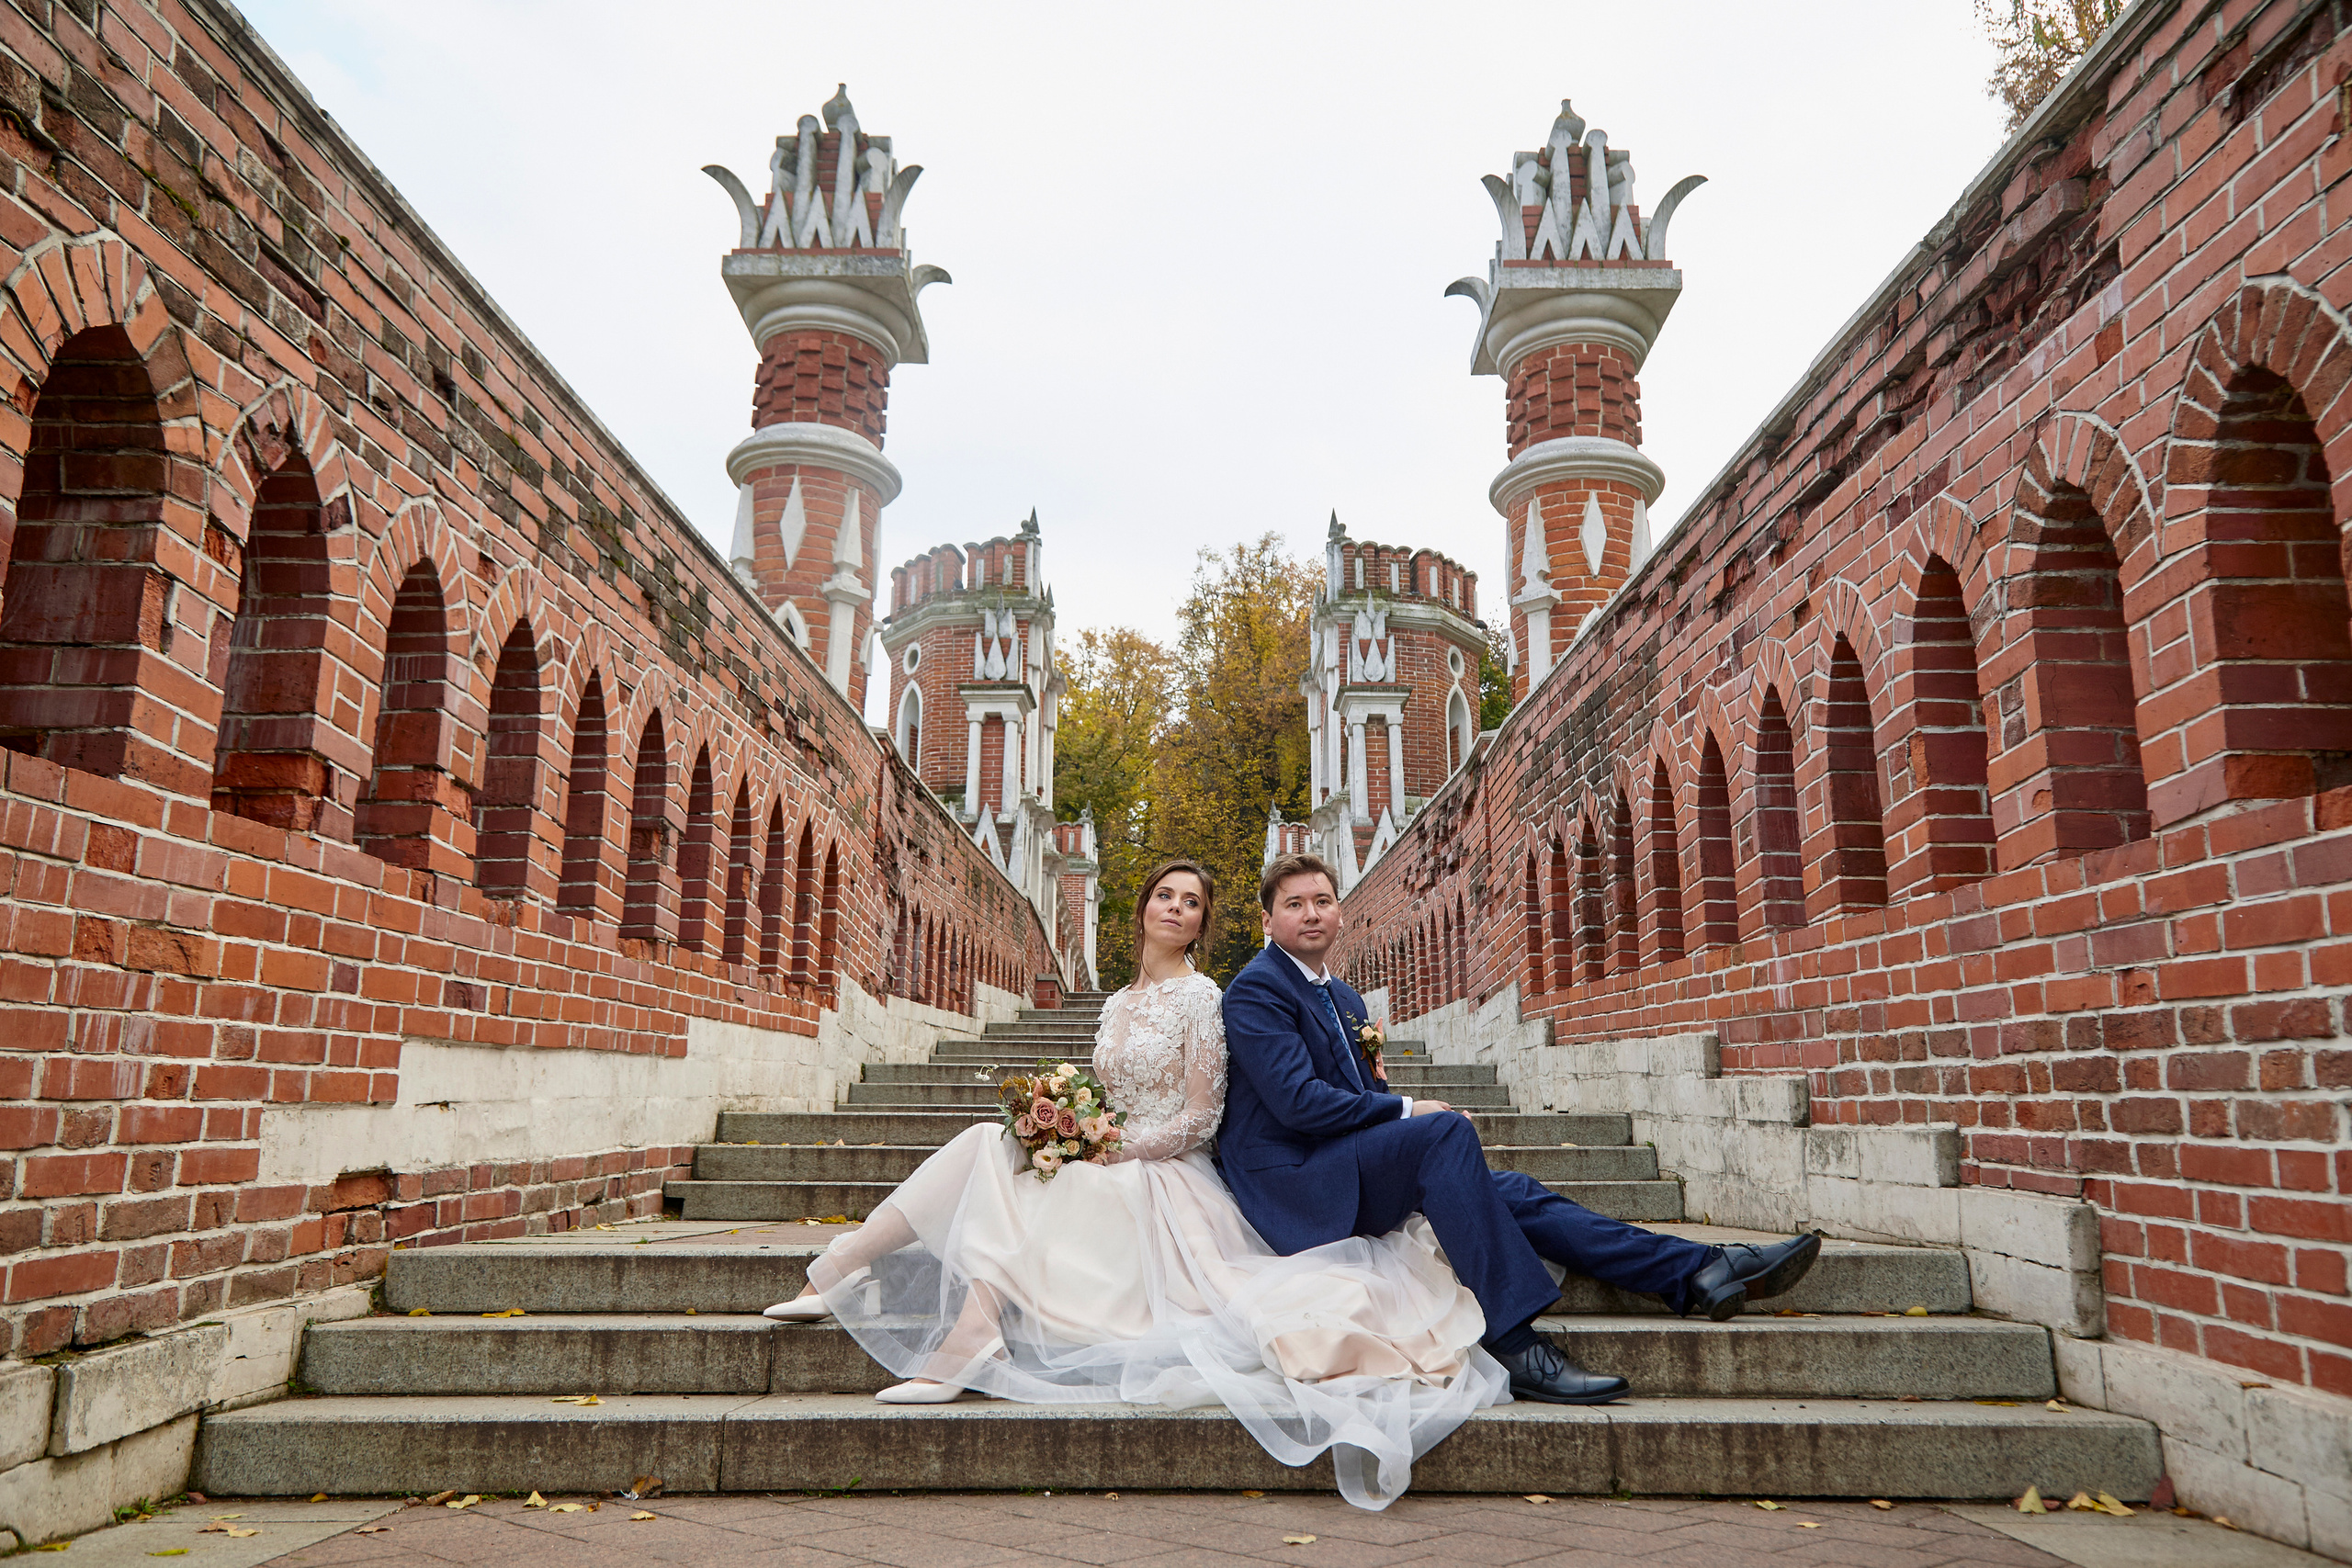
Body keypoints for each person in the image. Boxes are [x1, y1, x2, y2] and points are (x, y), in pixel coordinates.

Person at [761, 858, 1509, 1509]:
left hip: (1167, 1175)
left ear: (1202, 924)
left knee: (1025, 1174)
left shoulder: (1204, 999)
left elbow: (1201, 1117)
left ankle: (902, 1306)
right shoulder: (1117, 1004)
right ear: (1143, 907)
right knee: (990, 1146)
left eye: (1192, 903)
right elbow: (1105, 1097)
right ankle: (849, 1273)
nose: (1176, 908)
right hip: (1110, 1154)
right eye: (1166, 895)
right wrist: (1070, 1127)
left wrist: (1113, 1149)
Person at [1218, 852, 1823, 1405]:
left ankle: (1696, 1270)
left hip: (1348, 1163)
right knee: (1444, 1134)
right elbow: (1299, 1103)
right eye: (1294, 904)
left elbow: (1363, 1097)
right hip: (1296, 1186)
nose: (1311, 913)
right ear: (1269, 921)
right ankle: (1515, 1342)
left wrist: (1406, 1114)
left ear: (1341, 912)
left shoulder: (1345, 997)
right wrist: (1410, 1111)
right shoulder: (1257, 991)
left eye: (1321, 900)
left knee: (1514, 1190)